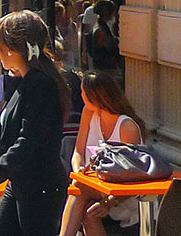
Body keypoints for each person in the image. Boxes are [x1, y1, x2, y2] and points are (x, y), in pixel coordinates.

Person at [0, 10, 72, 236]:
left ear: (11, 49)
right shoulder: (25, 81)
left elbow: (27, 143)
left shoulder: (40, 84)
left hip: (39, 187)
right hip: (21, 182)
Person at [59, 72, 147, 236]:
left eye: (83, 93)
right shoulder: (88, 113)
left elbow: (133, 178)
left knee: (79, 188)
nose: (81, 96)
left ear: (94, 97)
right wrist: (79, 170)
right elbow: (78, 151)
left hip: (123, 195)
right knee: (87, 209)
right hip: (96, 186)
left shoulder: (127, 127)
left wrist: (109, 201)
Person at [88, 0, 121, 76]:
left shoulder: (102, 27)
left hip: (104, 67)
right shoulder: (101, 30)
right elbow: (104, 50)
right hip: (105, 68)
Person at [54, 0, 81, 72]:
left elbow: (75, 49)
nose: (66, 15)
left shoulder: (73, 26)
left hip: (69, 63)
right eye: (64, 12)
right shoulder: (53, 29)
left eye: (69, 11)